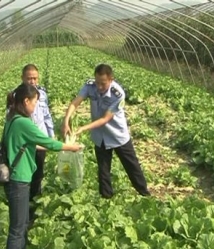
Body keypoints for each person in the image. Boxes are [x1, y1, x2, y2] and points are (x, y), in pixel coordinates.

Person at [3, 83, 82, 249]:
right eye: (35, 102)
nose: (36, 106)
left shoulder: (12, 118)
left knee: (20, 227)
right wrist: (71, 147)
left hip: (16, 179)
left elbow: (31, 143)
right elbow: (48, 143)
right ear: (26, 101)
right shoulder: (24, 122)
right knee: (17, 231)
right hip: (18, 180)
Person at [61, 63, 150, 199]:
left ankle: (144, 194)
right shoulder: (90, 86)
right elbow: (76, 102)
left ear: (111, 79)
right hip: (100, 136)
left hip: (117, 135)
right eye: (97, 83)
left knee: (132, 166)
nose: (99, 87)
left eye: (103, 84)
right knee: (103, 170)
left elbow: (105, 119)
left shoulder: (118, 94)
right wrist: (66, 121)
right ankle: (106, 198)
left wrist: (83, 128)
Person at [7, 64, 54, 201]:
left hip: (40, 139)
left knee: (38, 171)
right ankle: (23, 198)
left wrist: (50, 135)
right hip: (24, 143)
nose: (32, 81)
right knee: (23, 173)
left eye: (35, 78)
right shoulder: (16, 95)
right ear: (22, 78)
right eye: (29, 78)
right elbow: (10, 119)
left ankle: (35, 197)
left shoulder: (42, 94)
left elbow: (46, 115)